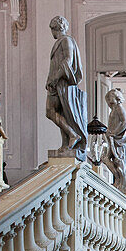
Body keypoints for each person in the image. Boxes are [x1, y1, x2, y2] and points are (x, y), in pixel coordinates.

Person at [45, 16, 88, 159]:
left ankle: (72, 135)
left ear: (55, 28)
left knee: (55, 112)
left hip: (62, 82)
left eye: (52, 29)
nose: (51, 32)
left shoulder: (66, 41)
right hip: (55, 82)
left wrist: (56, 78)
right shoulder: (60, 42)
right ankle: (67, 141)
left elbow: (67, 61)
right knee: (56, 112)